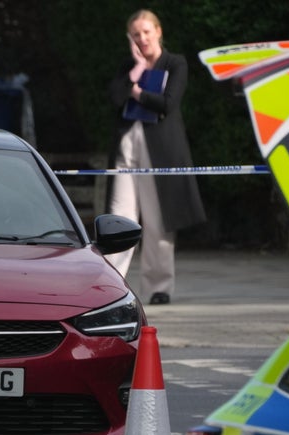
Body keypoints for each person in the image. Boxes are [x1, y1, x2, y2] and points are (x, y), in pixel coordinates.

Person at [105, 9, 206, 305]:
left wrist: (136, 94)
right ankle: (111, 286)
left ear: (158, 32)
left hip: (160, 150)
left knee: (158, 218)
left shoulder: (175, 64)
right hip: (126, 149)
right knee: (119, 218)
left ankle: (158, 288)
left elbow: (168, 104)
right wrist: (136, 71)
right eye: (136, 34)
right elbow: (113, 98)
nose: (142, 38)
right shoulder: (128, 66)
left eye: (147, 32)